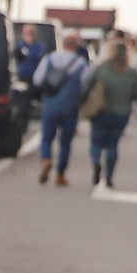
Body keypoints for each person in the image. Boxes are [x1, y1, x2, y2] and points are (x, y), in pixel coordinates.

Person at [83, 38, 137, 188]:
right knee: (113, 146)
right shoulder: (131, 73)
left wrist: (81, 103)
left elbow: (86, 86)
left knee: (96, 142)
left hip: (100, 111)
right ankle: (109, 177)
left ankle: (96, 163)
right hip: (121, 114)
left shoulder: (101, 68)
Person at [35, 32, 90, 185]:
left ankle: (46, 159)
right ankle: (60, 174)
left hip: (50, 105)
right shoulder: (81, 64)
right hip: (70, 108)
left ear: (63, 44)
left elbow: (37, 79)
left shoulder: (49, 59)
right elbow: (86, 85)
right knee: (66, 142)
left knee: (46, 138)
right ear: (76, 47)